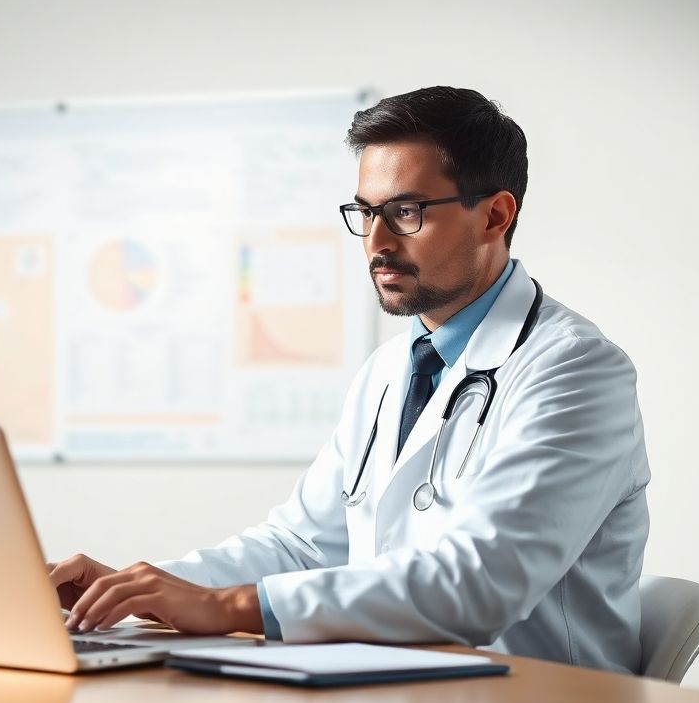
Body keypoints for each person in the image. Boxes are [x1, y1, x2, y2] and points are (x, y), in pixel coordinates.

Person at [49, 86, 650, 673]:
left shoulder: (575, 369)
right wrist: (138, 590)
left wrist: (225, 607)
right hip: (398, 688)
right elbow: (302, 546)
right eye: (366, 213)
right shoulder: (390, 368)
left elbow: (481, 582)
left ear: (495, 215)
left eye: (406, 212)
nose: (376, 242)